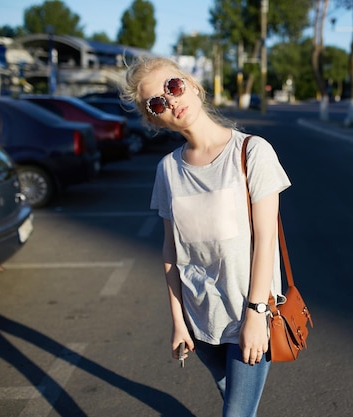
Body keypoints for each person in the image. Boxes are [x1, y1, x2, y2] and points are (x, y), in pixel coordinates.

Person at [120, 56, 291, 417]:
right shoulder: (168, 169)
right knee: (233, 398)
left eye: (174, 86)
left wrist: (257, 314)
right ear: (154, 119)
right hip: (201, 321)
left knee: (236, 413)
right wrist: (179, 321)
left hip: (249, 312)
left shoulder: (251, 152)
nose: (172, 101)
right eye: (158, 103)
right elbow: (171, 250)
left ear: (191, 84)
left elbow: (266, 240)